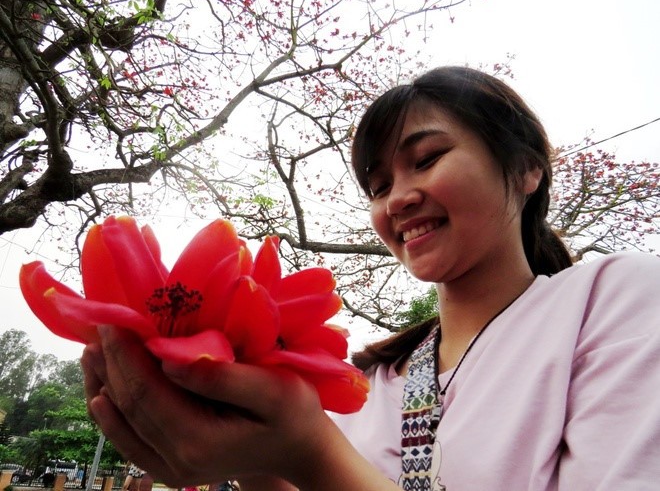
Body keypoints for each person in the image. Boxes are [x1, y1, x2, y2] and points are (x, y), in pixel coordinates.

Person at [81, 66, 660, 490]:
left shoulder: (614, 298)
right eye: (378, 186)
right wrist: (252, 458)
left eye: (427, 158)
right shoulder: (365, 383)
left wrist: (311, 455)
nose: (398, 200)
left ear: (527, 168)